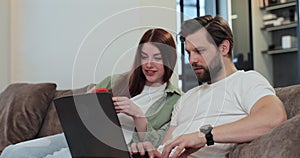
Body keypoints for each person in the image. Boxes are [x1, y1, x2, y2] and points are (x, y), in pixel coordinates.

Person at [0, 28, 183, 158]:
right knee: (12, 152)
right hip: (83, 136)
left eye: (157, 58)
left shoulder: (175, 100)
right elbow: (82, 110)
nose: (149, 64)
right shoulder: (116, 81)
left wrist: (138, 115)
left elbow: (156, 145)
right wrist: (94, 105)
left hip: (114, 148)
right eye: (144, 57)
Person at [129, 15, 287, 158]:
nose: (192, 60)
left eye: (199, 51)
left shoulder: (246, 81)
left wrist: (203, 136)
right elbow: (165, 147)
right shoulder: (186, 98)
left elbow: (274, 117)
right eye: (189, 52)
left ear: (224, 48)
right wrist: (151, 152)